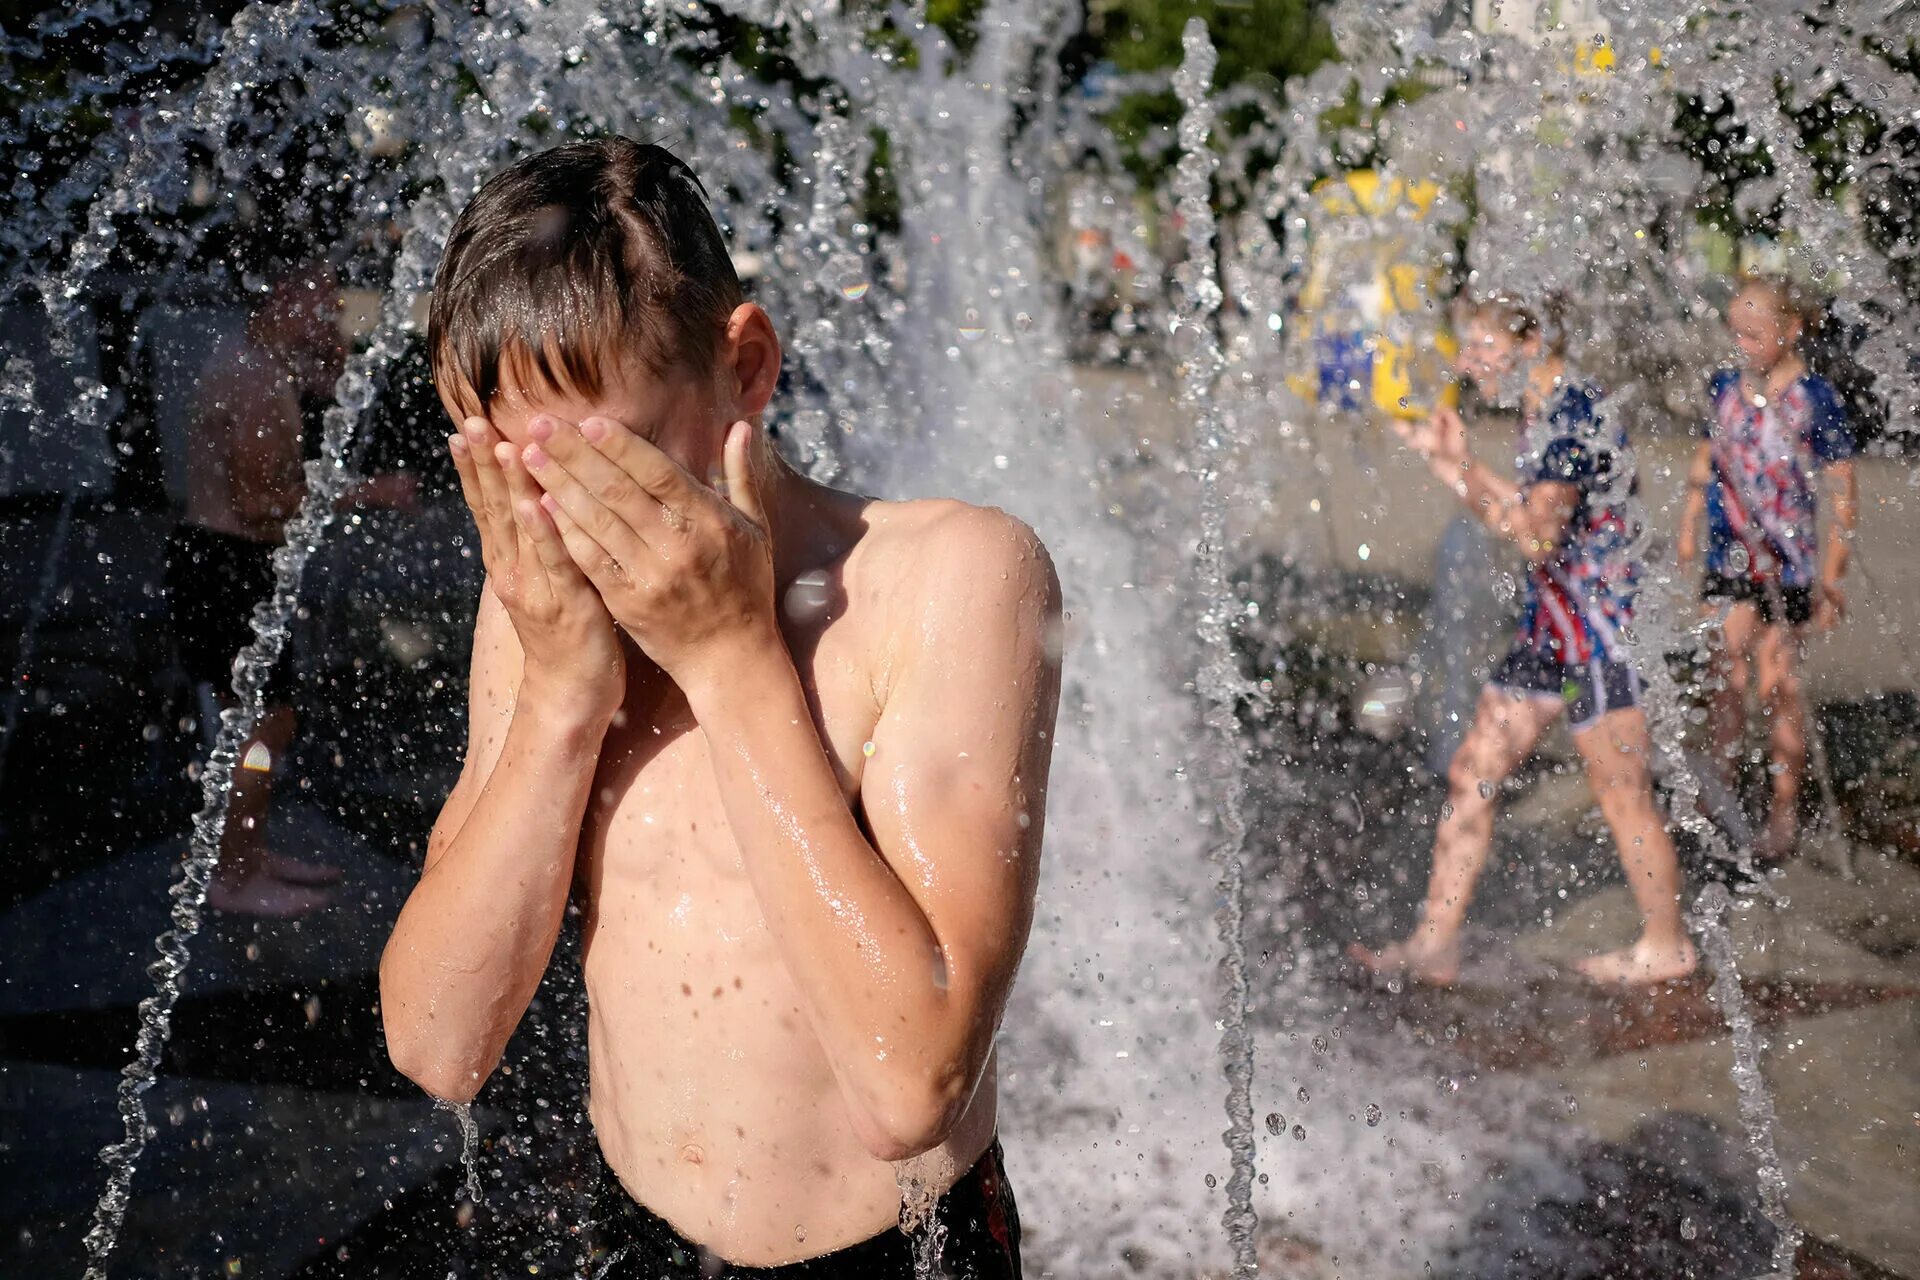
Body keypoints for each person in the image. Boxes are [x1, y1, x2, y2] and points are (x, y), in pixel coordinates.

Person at [378, 138, 1057, 1278]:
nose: (567, 526)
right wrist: (557, 698)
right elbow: (439, 1042)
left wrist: (734, 659)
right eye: (516, 479)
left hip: (894, 1249)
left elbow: (910, 1084)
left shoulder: (947, 580)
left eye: (612, 467)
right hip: (635, 1228)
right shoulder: (541, 605)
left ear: (744, 366)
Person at [1351, 297, 1697, 987]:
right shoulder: (1547, 411)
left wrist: (1462, 470)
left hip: (1602, 633)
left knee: (1620, 788)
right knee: (1473, 775)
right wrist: (1456, 466)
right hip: (1552, 627)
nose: (1464, 362)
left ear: (1532, 340)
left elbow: (1535, 533)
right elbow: (1535, 521)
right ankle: (1434, 943)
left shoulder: (1572, 414)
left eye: (1480, 345)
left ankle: (1668, 945)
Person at [167, 258, 415, 916]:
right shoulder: (251, 381)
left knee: (262, 723)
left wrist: (332, 367)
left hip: (224, 561)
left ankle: (245, 856)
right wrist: (371, 492)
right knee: (252, 729)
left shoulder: (255, 361)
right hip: (225, 563)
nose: (332, 312)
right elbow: (258, 504)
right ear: (280, 295)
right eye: (320, 298)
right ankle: (233, 876)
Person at [1677, 275, 1858, 860]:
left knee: (1777, 683)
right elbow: (1707, 456)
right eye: (1736, 333)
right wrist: (1686, 524)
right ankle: (1720, 795)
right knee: (1722, 676)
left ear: (1791, 329)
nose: (1743, 344)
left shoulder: (1815, 400)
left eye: (1755, 334)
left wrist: (1832, 576)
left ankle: (1783, 810)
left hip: (1791, 565)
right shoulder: (1726, 386)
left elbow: (1842, 493)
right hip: (1729, 555)